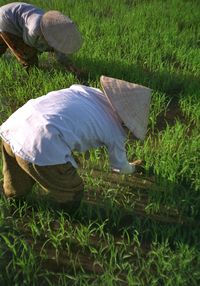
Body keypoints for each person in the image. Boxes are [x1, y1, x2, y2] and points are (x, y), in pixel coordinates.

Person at [0, 76, 151, 213]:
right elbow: (120, 167)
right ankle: (69, 220)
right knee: (73, 191)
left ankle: (14, 210)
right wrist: (134, 167)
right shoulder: (115, 131)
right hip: (38, 146)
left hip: (13, 127)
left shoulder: (85, 91)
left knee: (16, 184)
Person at [0, 2, 83, 74]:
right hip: (7, 22)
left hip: (9, 13)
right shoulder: (34, 29)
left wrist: (68, 64)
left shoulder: (54, 26)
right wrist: (48, 48)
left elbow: (58, 45)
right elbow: (28, 43)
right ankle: (33, 77)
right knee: (28, 55)